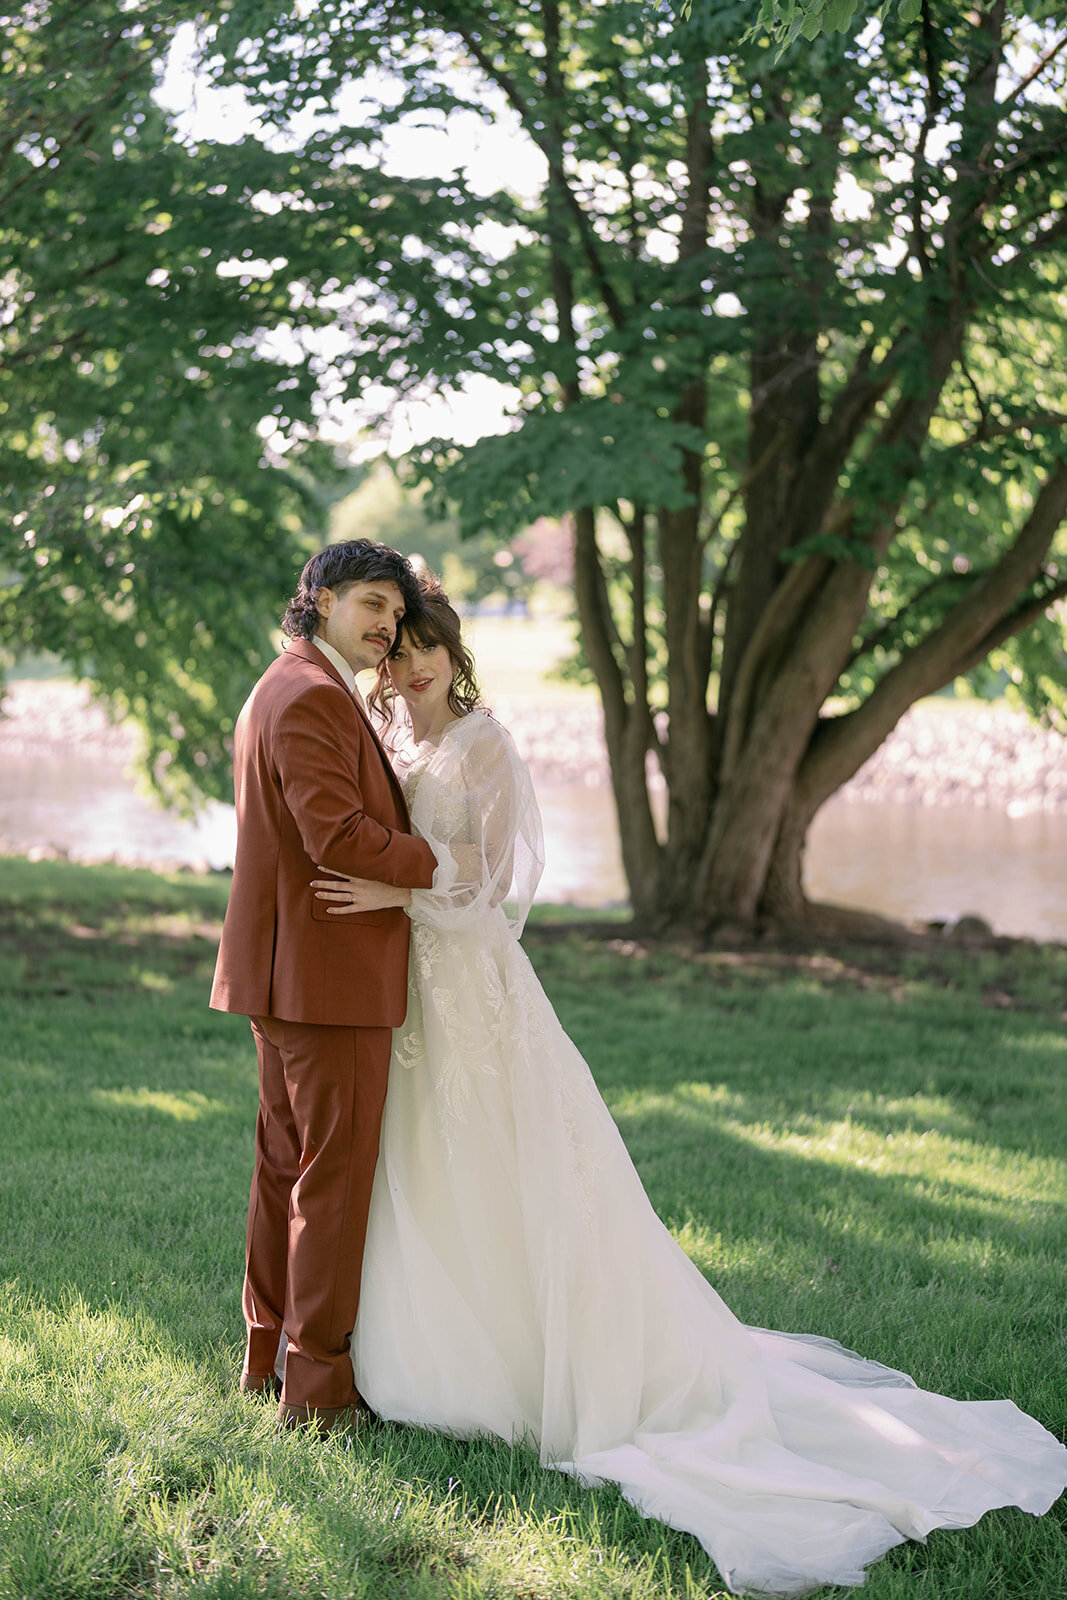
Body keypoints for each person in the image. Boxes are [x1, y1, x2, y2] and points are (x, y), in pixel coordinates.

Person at [311, 584, 1067, 1597]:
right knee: (423, 1163)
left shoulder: (482, 744)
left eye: (427, 652)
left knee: (505, 1157)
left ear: (455, 654)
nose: (409, 670)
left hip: (474, 984)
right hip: (407, 987)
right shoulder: (381, 731)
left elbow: (489, 877)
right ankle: (429, 1351)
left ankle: (539, 1364)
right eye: (395, 654)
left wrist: (392, 889)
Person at [210, 540, 446, 1434]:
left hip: (289, 975)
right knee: (331, 1184)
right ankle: (316, 1393)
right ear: (319, 599)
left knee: (285, 1172)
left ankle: (265, 1356)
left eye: (394, 610)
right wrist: (445, 860)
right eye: (371, 605)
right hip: (326, 979)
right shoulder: (310, 695)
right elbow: (337, 836)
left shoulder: (286, 684)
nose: (386, 625)